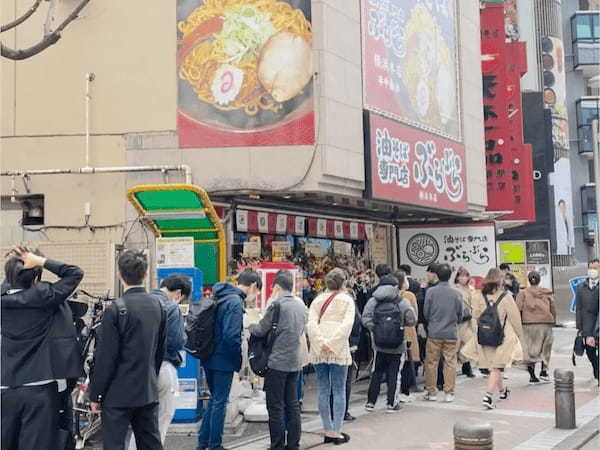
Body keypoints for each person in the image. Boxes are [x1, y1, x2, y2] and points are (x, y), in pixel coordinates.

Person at [1, 246, 84, 450]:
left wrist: (14, 266)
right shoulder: (46, 297)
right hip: (41, 385)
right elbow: (75, 273)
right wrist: (40, 260)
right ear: (36, 276)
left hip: (5, 387)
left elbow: (8, 285)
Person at [89, 250, 166, 450]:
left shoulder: (116, 309)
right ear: (146, 274)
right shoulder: (158, 306)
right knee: (150, 443)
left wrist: (96, 395)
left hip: (117, 394)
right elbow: (159, 352)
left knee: (114, 444)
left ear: (119, 274)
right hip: (146, 390)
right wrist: (151, 378)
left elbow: (106, 358)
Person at [198, 269, 261, 450]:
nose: (254, 296)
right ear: (253, 286)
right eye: (256, 292)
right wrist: (237, 360)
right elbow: (231, 336)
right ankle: (215, 445)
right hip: (223, 358)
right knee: (220, 402)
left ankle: (203, 443)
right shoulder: (234, 301)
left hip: (209, 356)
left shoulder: (220, 295)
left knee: (214, 400)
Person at [128, 274, 191, 449]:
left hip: (136, 371)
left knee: (139, 424)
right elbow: (176, 341)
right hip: (163, 367)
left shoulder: (137, 303)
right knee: (158, 425)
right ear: (178, 293)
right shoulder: (170, 307)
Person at [249, 271, 308, 450]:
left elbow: (260, 330)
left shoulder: (277, 305)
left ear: (277, 287)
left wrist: (250, 323)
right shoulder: (301, 306)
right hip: (294, 362)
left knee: (275, 407)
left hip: (276, 363)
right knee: (292, 404)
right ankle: (293, 445)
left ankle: (277, 446)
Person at [463, 268, 524, 410]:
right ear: (500, 280)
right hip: (503, 335)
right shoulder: (506, 296)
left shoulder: (478, 295)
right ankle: (488, 396)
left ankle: (502, 391)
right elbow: (515, 318)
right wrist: (520, 335)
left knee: (495, 367)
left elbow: (476, 316)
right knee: (497, 366)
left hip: (485, 335)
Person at [307, 268, 355, 445]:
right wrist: (333, 343)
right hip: (338, 349)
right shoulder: (347, 300)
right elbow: (347, 325)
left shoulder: (317, 300)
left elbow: (310, 323)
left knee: (323, 389)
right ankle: (337, 431)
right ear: (343, 282)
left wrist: (320, 343)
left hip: (319, 350)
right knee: (339, 389)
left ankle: (327, 429)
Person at [362, 273, 416, 412]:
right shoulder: (402, 302)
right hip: (398, 345)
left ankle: (370, 402)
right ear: (395, 286)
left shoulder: (373, 301)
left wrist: (377, 330)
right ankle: (391, 403)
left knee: (376, 373)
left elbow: (365, 319)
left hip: (378, 345)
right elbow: (412, 320)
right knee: (394, 374)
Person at [422, 264, 463, 403]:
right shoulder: (456, 293)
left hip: (434, 332)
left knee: (431, 363)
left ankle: (431, 392)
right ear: (450, 276)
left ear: (437, 275)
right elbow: (460, 314)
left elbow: (426, 313)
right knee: (450, 363)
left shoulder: (431, 292)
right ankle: (449, 393)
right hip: (451, 332)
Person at [515, 271, 556, 384]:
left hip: (528, 325)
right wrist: (553, 320)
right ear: (539, 280)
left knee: (530, 350)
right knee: (545, 348)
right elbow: (553, 308)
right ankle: (544, 371)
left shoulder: (522, 293)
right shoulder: (547, 293)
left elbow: (517, 309)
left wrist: (518, 324)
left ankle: (532, 375)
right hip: (545, 323)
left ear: (528, 280)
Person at [394, 270, 421, 403]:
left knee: (396, 363)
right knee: (408, 361)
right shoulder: (409, 295)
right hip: (408, 330)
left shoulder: (391, 295)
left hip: (394, 331)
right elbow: (415, 314)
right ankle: (405, 391)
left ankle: (395, 392)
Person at [575, 260, 600, 385]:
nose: (593, 270)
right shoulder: (581, 287)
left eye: (595, 268)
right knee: (590, 352)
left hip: (598, 326)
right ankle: (596, 369)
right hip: (587, 327)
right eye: (591, 268)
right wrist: (580, 328)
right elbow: (578, 309)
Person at [454, 267, 476, 378]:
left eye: (466, 275)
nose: (464, 278)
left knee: (468, 343)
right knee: (457, 344)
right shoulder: (455, 289)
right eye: (461, 275)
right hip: (459, 320)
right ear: (457, 277)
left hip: (470, 320)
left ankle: (467, 366)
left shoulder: (471, 289)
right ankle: (461, 366)